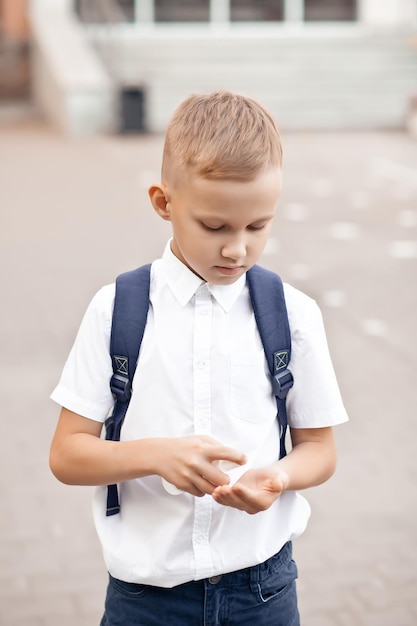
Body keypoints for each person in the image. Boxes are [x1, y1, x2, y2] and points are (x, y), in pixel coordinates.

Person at [49, 90, 348, 626]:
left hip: (264, 592)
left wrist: (278, 478)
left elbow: (319, 449)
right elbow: (68, 455)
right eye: (216, 227)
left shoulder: (292, 314)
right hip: (146, 599)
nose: (238, 248)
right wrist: (155, 454)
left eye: (258, 226)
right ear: (164, 203)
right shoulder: (117, 308)